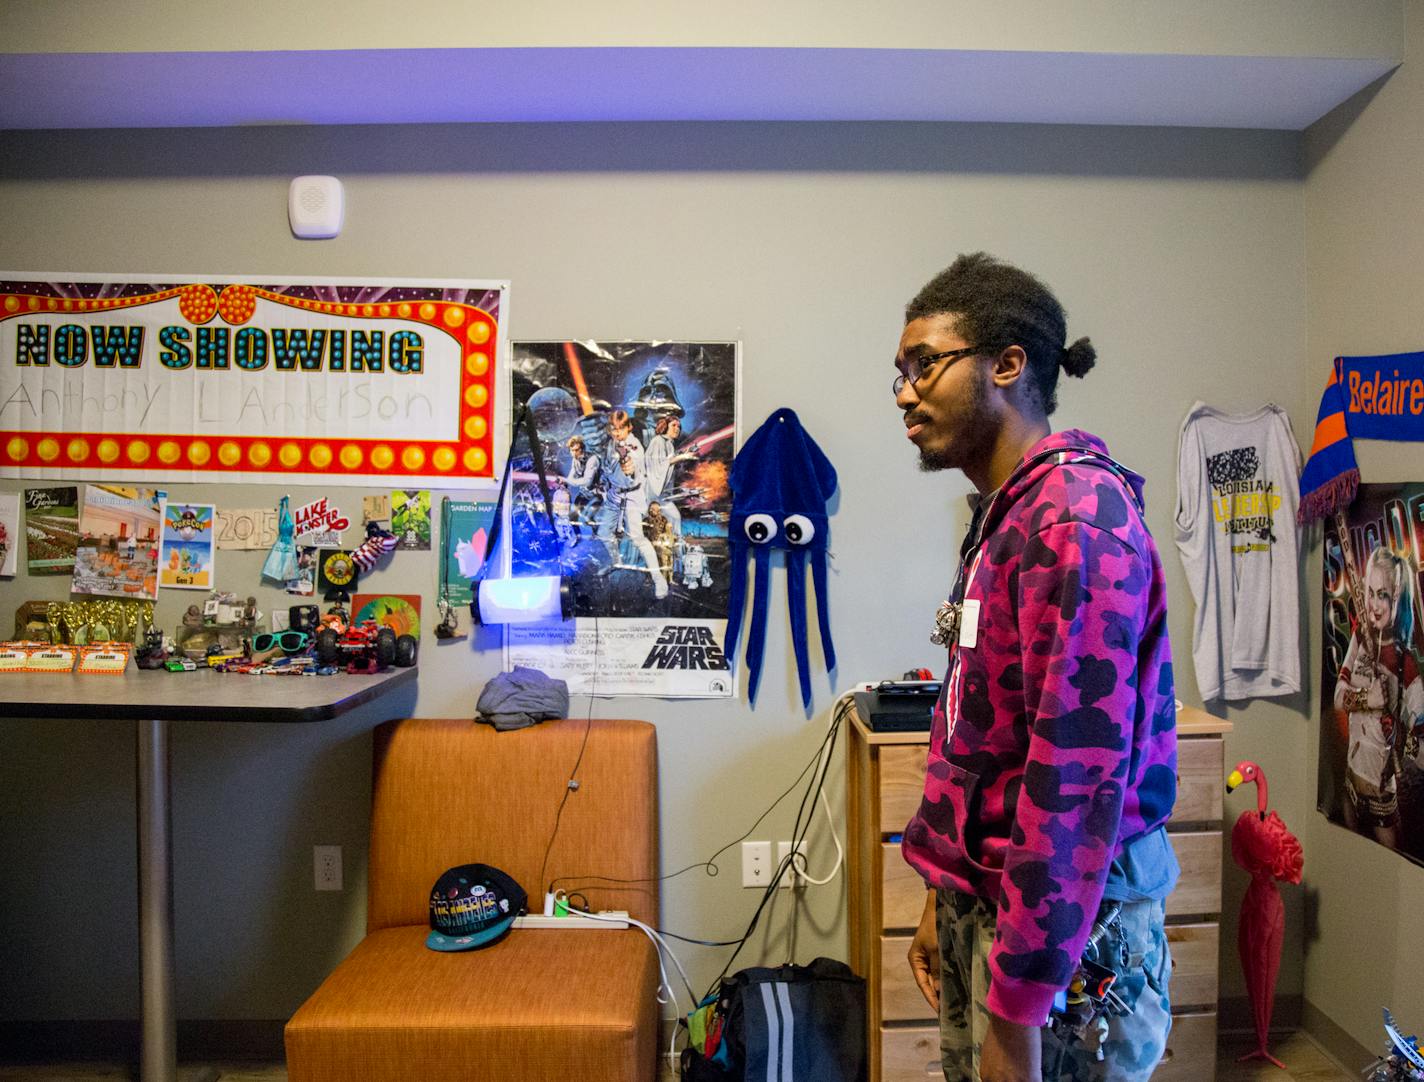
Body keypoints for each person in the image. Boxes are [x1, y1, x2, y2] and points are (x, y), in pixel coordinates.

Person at [894, 253, 1179, 1082]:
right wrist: (940, 890)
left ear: (1007, 365)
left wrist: (1017, 1011)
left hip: (1066, 937)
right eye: (899, 374)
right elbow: (980, 735)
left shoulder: (1076, 521)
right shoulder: (1004, 515)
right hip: (990, 909)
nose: (906, 393)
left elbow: (1073, 783)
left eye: (926, 365)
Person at [1333, 546, 1424, 850]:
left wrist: (1400, 734)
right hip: (1350, 785)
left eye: (1382, 594)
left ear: (1398, 597)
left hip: (1382, 797)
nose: (1373, 604)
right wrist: (1366, 699)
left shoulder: (1406, 665)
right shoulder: (1360, 639)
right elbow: (1338, 697)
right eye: (1370, 593)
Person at [605, 408, 669, 600]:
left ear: (628, 427)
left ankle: (659, 579)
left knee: (638, 539)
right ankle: (615, 562)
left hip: (632, 496)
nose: (617, 432)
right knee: (603, 534)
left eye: (621, 428)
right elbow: (608, 467)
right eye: (613, 429)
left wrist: (628, 468)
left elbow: (632, 468)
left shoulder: (635, 448)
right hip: (614, 495)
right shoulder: (611, 443)